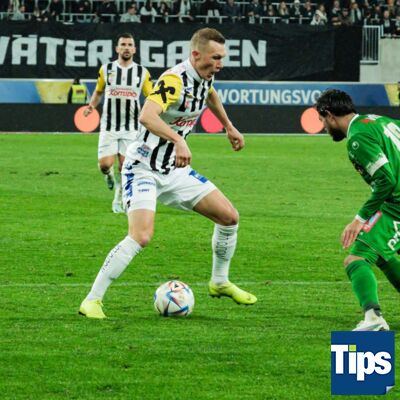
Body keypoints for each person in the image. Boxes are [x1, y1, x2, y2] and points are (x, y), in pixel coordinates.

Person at [79, 27, 257, 319]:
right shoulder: (173, 81)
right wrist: (178, 140)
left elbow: (209, 94)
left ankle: (219, 281)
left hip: (174, 170)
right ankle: (92, 300)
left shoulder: (205, 77)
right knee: (141, 236)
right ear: (196, 54)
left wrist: (228, 126)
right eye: (215, 58)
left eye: (222, 58)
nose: (220, 64)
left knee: (229, 217)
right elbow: (146, 115)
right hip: (143, 167)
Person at [315, 88, 400, 331]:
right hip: (393, 203)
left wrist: (359, 219)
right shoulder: (378, 121)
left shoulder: (357, 138)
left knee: (357, 258)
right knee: (381, 254)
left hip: (396, 205)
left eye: (322, 120)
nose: (323, 127)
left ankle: (373, 319)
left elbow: (386, 180)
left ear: (329, 115)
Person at [84, 33, 153, 213]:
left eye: (130, 45)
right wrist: (91, 106)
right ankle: (108, 177)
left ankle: (118, 198)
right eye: (123, 44)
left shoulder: (142, 72)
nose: (126, 48)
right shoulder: (106, 69)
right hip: (109, 126)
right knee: (105, 165)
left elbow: (151, 97)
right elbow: (99, 91)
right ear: (117, 48)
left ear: (134, 49)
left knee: (125, 166)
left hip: (131, 128)